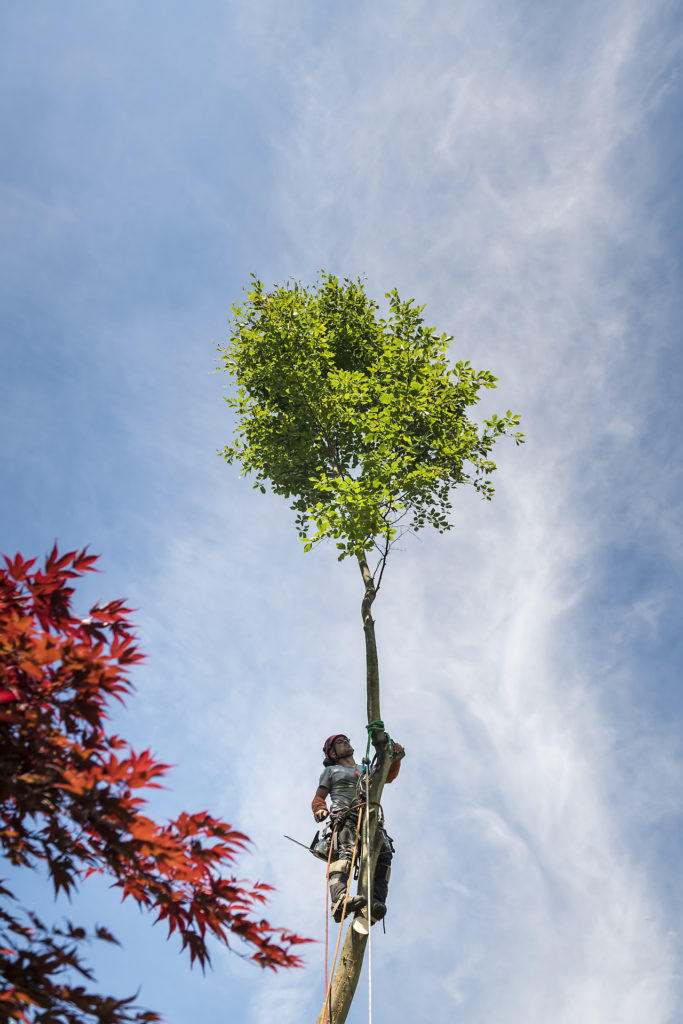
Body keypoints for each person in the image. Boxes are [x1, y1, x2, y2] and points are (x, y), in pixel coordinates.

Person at [311, 733, 405, 923]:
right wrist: (320, 810)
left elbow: (387, 776)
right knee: (347, 852)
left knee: (384, 854)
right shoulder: (331, 771)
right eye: (340, 742)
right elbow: (319, 797)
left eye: (347, 740)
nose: (345, 742)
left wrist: (395, 760)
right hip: (346, 816)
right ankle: (339, 901)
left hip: (370, 819)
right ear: (332, 752)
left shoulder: (366, 769)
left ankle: (376, 903)